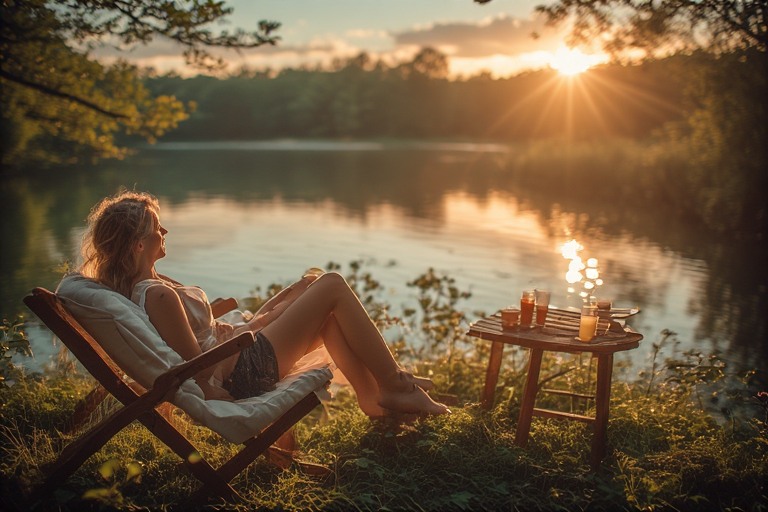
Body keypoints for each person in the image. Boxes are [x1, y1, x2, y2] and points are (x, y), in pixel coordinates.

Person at [77, 190, 450, 418]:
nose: (165, 232)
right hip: (244, 371)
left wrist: (266, 317)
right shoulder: (157, 295)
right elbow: (197, 368)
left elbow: (206, 340)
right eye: (157, 228)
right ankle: (395, 384)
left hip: (240, 351)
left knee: (317, 294)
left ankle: (373, 397)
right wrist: (211, 393)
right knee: (332, 285)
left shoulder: (153, 284)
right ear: (139, 245)